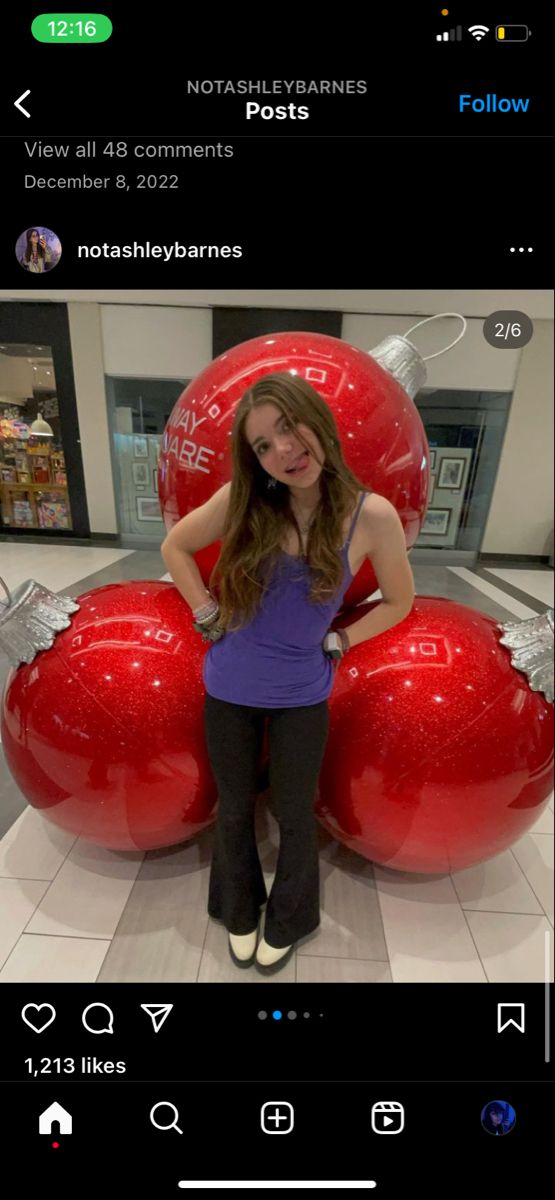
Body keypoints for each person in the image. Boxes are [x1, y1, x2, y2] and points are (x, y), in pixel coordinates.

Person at [161, 372, 415, 974]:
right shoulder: (245, 501)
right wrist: (205, 611)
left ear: (316, 421)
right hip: (228, 685)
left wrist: (342, 636)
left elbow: (400, 602)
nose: (284, 450)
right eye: (263, 445)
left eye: (287, 428)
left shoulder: (370, 515)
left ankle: (291, 917)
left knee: (296, 814)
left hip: (304, 692)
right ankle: (238, 907)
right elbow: (174, 546)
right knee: (234, 804)